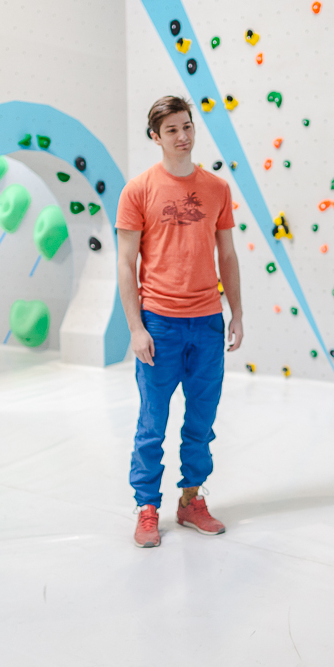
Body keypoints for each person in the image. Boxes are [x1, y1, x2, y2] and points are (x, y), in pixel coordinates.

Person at [117, 96, 243, 548]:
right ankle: (147, 506)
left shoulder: (217, 189)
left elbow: (226, 254)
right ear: (156, 136)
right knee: (152, 422)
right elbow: (126, 261)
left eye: (187, 126)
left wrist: (237, 314)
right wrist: (136, 327)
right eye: (171, 129)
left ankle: (191, 500)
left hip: (207, 322)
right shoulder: (138, 190)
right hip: (160, 325)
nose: (183, 135)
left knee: (201, 421)